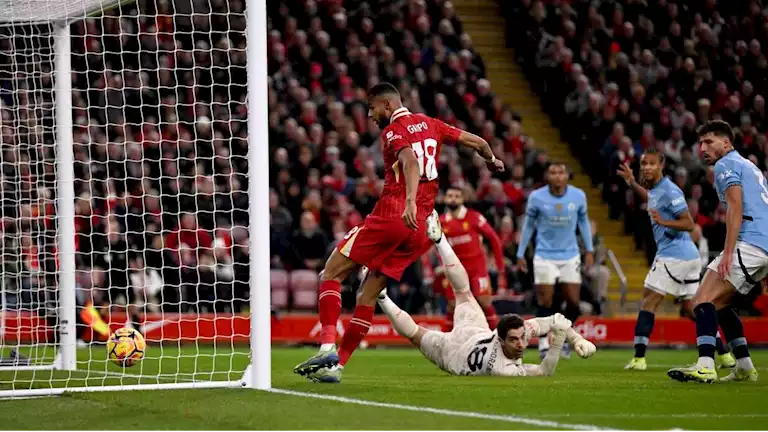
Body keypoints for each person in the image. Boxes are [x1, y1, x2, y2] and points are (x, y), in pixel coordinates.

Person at [293, 82, 505, 383]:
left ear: (387, 105)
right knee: (367, 294)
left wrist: (406, 201)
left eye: (372, 107)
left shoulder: (393, 130)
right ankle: (336, 366)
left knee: (330, 274)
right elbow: (479, 141)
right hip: (419, 230)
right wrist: (492, 160)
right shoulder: (432, 123)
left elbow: (409, 162)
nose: (370, 114)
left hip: (393, 215)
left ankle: (327, 346)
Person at [376, 211, 596, 377]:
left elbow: (554, 320)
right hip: (453, 356)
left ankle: (438, 242)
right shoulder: (504, 370)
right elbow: (544, 370)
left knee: (461, 293)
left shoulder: (513, 336)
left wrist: (575, 339)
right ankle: (382, 296)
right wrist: (561, 341)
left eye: (521, 338)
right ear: (499, 340)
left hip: (474, 333)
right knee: (415, 333)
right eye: (515, 340)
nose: (521, 344)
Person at [668, 120, 768, 383]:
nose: (703, 148)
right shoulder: (749, 165)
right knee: (721, 303)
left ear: (726, 143)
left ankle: (705, 365)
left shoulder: (726, 165)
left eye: (709, 141)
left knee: (701, 301)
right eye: (701, 143)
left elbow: (735, 207)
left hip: (750, 242)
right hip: (763, 245)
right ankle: (744, 366)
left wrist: (727, 252)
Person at [617, 149, 735, 371]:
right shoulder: (656, 189)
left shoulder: (670, 191)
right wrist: (632, 182)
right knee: (693, 308)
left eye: (652, 163)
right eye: (644, 164)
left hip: (673, 256)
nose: (647, 168)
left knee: (649, 302)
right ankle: (725, 354)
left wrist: (664, 222)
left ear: (661, 165)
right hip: (687, 257)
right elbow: (650, 199)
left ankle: (639, 359)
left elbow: (689, 223)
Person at [516, 163, 594, 358]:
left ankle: (562, 338)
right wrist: (520, 253)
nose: (557, 176)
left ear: (567, 176)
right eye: (553, 172)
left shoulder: (578, 196)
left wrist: (590, 249)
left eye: (561, 172)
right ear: (547, 176)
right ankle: (543, 344)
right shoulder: (536, 197)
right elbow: (528, 226)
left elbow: (584, 222)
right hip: (544, 255)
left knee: (574, 303)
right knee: (546, 301)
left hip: (570, 255)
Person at [438, 186, 506, 330]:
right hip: (454, 269)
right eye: (450, 195)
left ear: (463, 199)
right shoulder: (440, 222)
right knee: (451, 305)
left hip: (476, 269)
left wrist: (500, 267)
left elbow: (494, 238)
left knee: (484, 301)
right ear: (445, 199)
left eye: (457, 196)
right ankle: (444, 345)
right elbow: (426, 245)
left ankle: (500, 339)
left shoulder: (474, 217)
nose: (453, 199)